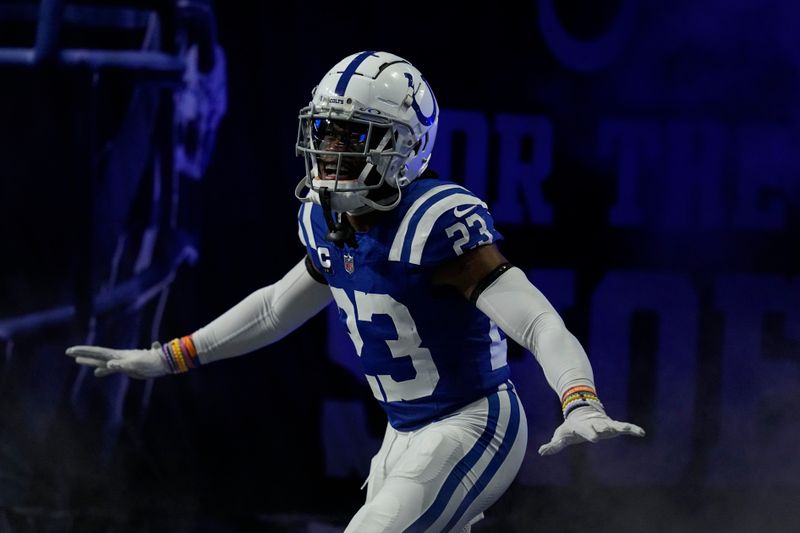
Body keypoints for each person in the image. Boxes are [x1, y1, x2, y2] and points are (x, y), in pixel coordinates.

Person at [67, 51, 645, 532]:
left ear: (407, 145)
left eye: (356, 135)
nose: (332, 150)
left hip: (472, 422)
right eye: (326, 131)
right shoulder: (324, 219)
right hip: (404, 430)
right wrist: (169, 357)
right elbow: (273, 308)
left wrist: (580, 400)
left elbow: (538, 322)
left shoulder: (435, 221)